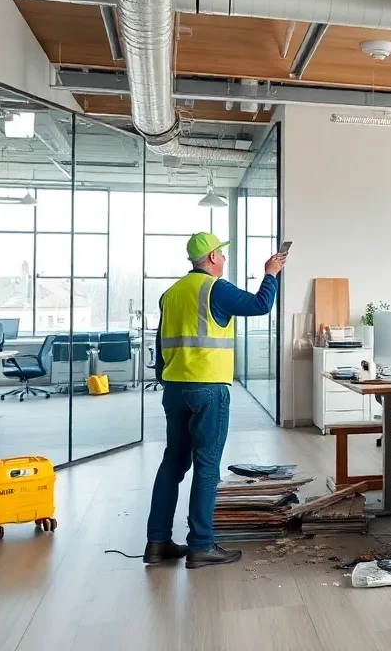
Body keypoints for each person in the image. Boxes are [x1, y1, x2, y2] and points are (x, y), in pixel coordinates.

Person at [144, 232, 286, 569]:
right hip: (207, 389)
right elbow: (260, 305)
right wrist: (271, 273)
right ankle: (201, 546)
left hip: (174, 388)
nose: (223, 258)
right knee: (207, 466)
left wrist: (166, 379)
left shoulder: (170, 293)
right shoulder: (215, 289)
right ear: (211, 258)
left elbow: (161, 343)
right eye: (221, 254)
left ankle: (157, 542)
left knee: (173, 462)